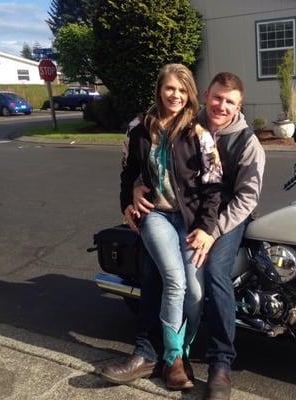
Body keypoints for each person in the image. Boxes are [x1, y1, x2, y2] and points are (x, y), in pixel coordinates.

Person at [132, 72, 266, 400]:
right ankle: (151, 352)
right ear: (206, 94)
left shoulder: (246, 141)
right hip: (188, 215)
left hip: (227, 219)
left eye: (230, 101)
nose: (222, 105)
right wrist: (135, 186)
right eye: (217, 97)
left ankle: (221, 363)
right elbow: (149, 157)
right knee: (155, 270)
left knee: (217, 273)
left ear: (239, 105)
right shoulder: (188, 124)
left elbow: (247, 198)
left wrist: (212, 230)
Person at [102, 63, 223, 390]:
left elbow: (213, 187)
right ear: (159, 89)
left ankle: (179, 353)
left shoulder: (200, 133)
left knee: (195, 292)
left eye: (183, 91)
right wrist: (129, 200)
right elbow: (128, 173)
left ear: (190, 95)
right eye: (171, 88)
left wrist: (207, 228)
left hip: (189, 222)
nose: (176, 95)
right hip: (156, 215)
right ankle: (173, 361)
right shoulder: (138, 128)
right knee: (174, 280)